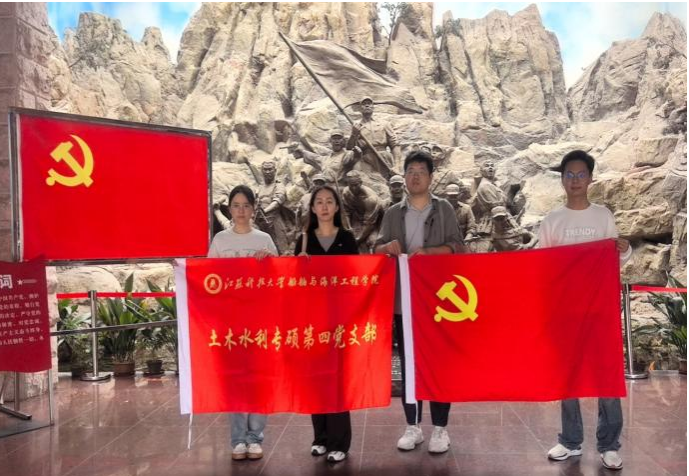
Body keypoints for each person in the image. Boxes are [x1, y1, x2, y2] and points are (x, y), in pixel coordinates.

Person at [539, 150, 632, 471]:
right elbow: (541, 266)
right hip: (565, 312)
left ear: (590, 179)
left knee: (606, 375)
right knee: (568, 376)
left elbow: (613, 259)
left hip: (599, 311)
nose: (575, 180)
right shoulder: (552, 221)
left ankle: (609, 444)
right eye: (569, 175)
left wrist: (624, 249)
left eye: (581, 175)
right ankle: (570, 440)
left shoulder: (603, 216)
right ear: (562, 180)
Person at [374, 150, 464, 454]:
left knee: (439, 365)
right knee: (409, 365)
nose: (415, 176)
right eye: (410, 171)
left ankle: (440, 428)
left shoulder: (445, 209)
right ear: (404, 177)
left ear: (430, 177)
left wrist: (430, 253)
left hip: (438, 303)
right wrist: (386, 247)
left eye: (421, 171)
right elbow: (377, 248)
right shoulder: (392, 213)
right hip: (404, 302)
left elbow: (458, 247)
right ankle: (412, 425)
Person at [207, 185, 278, 461]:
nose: (241, 210)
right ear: (229, 209)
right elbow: (208, 279)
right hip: (230, 324)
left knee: (259, 380)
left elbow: (278, 279)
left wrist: (269, 261)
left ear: (253, 209)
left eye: (246, 205)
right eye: (236, 205)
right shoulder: (220, 241)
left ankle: (255, 437)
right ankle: (238, 440)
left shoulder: (264, 239)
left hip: (259, 322)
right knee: (236, 381)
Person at [294, 185, 359, 464]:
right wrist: (297, 265)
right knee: (316, 379)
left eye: (329, 201)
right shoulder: (304, 239)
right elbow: (295, 280)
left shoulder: (347, 238)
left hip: (339, 318)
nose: (324, 206)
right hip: (312, 318)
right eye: (319, 202)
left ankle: (339, 442)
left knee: (337, 380)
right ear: (312, 208)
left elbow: (357, 276)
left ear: (337, 207)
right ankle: (320, 438)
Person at [345, 96, 402, 178]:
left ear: (373, 107)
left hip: (384, 159)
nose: (367, 105)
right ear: (360, 108)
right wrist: (354, 134)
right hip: (367, 160)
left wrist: (397, 165)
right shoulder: (356, 126)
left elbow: (395, 144)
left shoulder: (384, 124)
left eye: (369, 103)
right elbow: (349, 148)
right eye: (364, 104)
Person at [342, 170, 383, 253]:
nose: (353, 188)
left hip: (375, 222)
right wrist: (349, 228)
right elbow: (346, 212)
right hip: (358, 218)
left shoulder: (370, 199)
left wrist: (357, 240)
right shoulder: (346, 192)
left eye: (356, 185)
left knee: (372, 241)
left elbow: (369, 224)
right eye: (351, 185)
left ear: (361, 183)